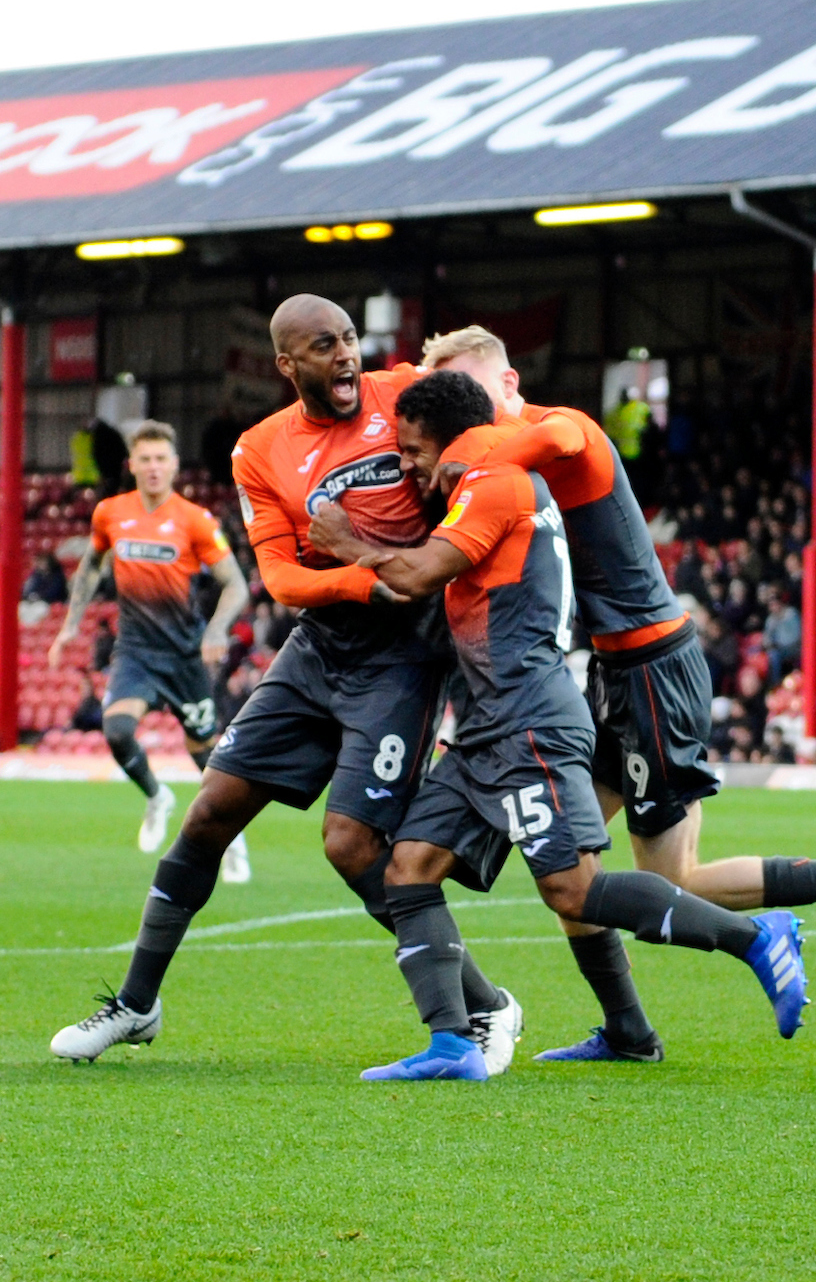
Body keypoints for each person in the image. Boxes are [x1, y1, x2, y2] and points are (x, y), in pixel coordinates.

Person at [423, 325, 816, 1062]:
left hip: (652, 670)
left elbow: (567, 435)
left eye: (476, 391)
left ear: (508, 385)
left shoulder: (555, 430)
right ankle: (630, 1030)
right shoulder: (493, 470)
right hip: (615, 675)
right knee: (571, 870)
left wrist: (468, 448)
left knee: (666, 877)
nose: (467, 417)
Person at [51, 297, 518, 1070]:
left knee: (353, 843)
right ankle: (135, 1006)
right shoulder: (258, 450)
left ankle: (485, 1006)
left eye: (347, 340)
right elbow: (279, 575)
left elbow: (483, 446)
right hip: (318, 650)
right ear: (286, 364)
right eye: (323, 346)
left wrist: (367, 556)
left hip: (402, 659)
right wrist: (371, 583)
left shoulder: (404, 393)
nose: (343, 356)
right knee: (208, 814)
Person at [303, 372, 811, 1079]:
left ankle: (754, 937)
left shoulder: (497, 482)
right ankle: (453, 1043)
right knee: (409, 867)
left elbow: (417, 575)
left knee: (571, 889)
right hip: (487, 727)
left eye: (414, 450)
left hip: (529, 722)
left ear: (450, 440)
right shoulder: (486, 483)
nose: (408, 466)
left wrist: (344, 541)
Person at [48, 421, 251, 866]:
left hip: (184, 657)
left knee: (207, 759)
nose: (154, 467)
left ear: (175, 465)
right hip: (135, 654)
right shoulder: (109, 513)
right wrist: (69, 626)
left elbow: (235, 585)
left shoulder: (195, 520)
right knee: (117, 732)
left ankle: (231, 837)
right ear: (132, 465)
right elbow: (89, 567)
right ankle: (157, 797)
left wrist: (216, 630)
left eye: (162, 459)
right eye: (146, 459)